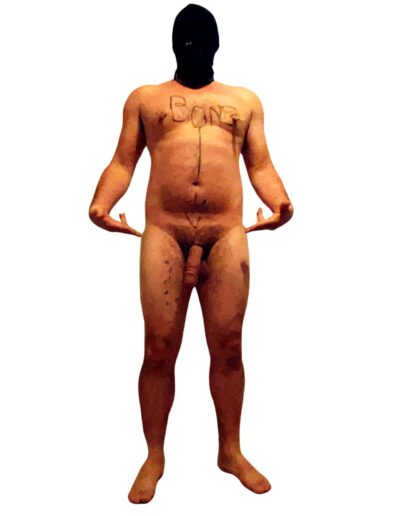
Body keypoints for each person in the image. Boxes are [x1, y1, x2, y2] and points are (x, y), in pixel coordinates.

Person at [88, 3, 294, 504]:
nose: (193, 48)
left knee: (229, 347)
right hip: (164, 232)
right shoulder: (145, 98)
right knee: (158, 349)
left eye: (201, 41)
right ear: (172, 46)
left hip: (226, 234)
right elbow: (122, 162)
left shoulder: (244, 101)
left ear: (216, 45)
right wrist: (100, 203)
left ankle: (230, 450)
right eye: (185, 41)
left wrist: (281, 202)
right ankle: (154, 456)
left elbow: (261, 165)